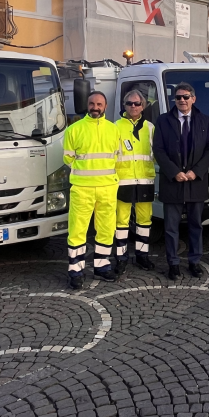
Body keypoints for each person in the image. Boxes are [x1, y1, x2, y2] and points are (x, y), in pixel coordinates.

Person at [152, 83, 209, 279]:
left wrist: (196, 172)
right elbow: (159, 150)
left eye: (186, 97)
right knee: (171, 227)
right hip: (173, 182)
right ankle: (173, 263)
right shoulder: (163, 121)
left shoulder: (204, 121)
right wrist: (174, 172)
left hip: (196, 181)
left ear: (193, 99)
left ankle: (195, 261)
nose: (182, 100)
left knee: (196, 224)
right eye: (178, 97)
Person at [63, 91, 122, 289]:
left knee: (106, 229)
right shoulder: (74, 129)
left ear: (105, 106)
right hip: (82, 189)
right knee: (77, 231)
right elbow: (67, 159)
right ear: (86, 105)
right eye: (91, 103)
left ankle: (102, 266)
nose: (95, 107)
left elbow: (118, 158)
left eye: (99, 104)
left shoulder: (114, 130)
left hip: (108, 188)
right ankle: (75, 271)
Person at [114, 89, 156, 275]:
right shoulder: (115, 127)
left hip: (145, 179)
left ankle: (142, 255)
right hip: (123, 180)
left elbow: (156, 153)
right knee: (121, 221)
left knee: (144, 220)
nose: (133, 106)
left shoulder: (150, 127)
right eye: (129, 103)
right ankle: (121, 258)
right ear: (124, 105)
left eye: (137, 103)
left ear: (143, 106)